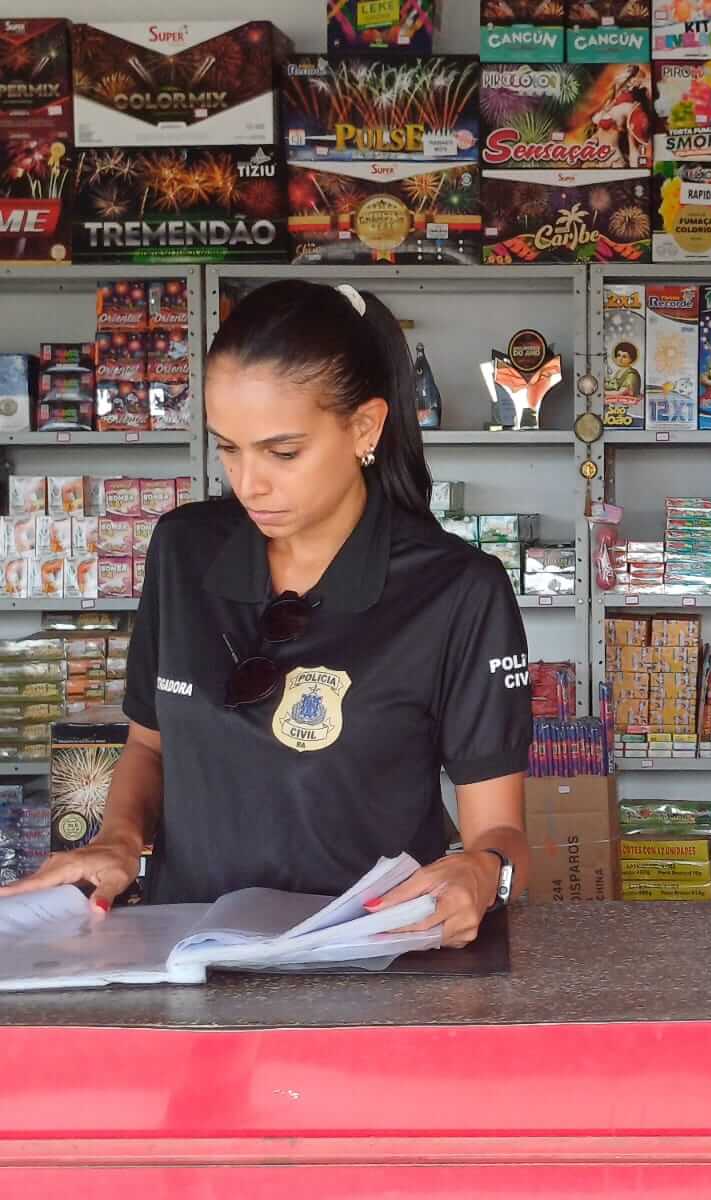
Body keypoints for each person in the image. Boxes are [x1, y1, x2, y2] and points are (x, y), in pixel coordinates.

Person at [0, 281, 533, 948]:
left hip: (370, 964)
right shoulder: (183, 551)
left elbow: (499, 833)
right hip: (186, 956)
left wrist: (482, 875)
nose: (248, 483)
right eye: (229, 448)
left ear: (364, 427)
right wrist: (118, 840)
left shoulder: (458, 589)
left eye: (283, 453)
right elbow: (149, 743)